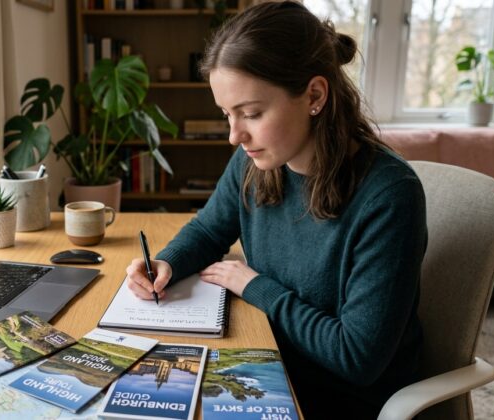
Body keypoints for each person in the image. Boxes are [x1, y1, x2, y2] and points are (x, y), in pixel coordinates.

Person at [124, 1, 427, 418]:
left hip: (338, 397)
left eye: (251, 113)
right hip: (267, 356)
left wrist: (253, 285)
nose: (234, 135)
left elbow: (357, 358)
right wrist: (167, 263)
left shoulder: (389, 196)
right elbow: (211, 230)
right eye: (228, 114)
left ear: (314, 96)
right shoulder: (256, 160)